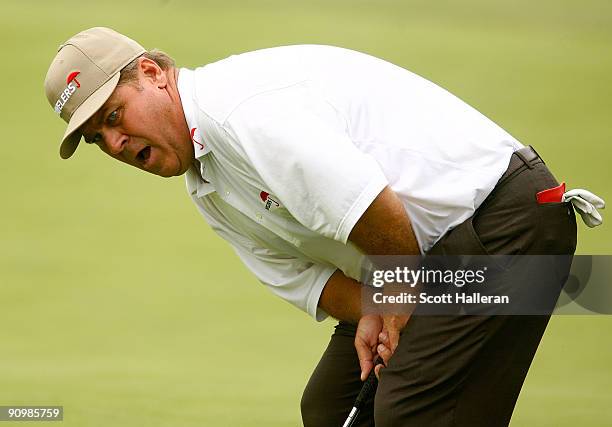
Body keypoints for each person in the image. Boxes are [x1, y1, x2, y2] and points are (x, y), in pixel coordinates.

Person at [44, 27, 604, 426]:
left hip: (504, 228)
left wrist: (395, 304)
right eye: (97, 137)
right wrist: (374, 308)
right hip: (430, 259)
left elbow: (372, 211)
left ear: (152, 74)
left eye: (114, 116)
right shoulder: (206, 186)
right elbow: (312, 283)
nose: (114, 143)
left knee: (408, 410)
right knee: (333, 408)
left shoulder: (240, 113)